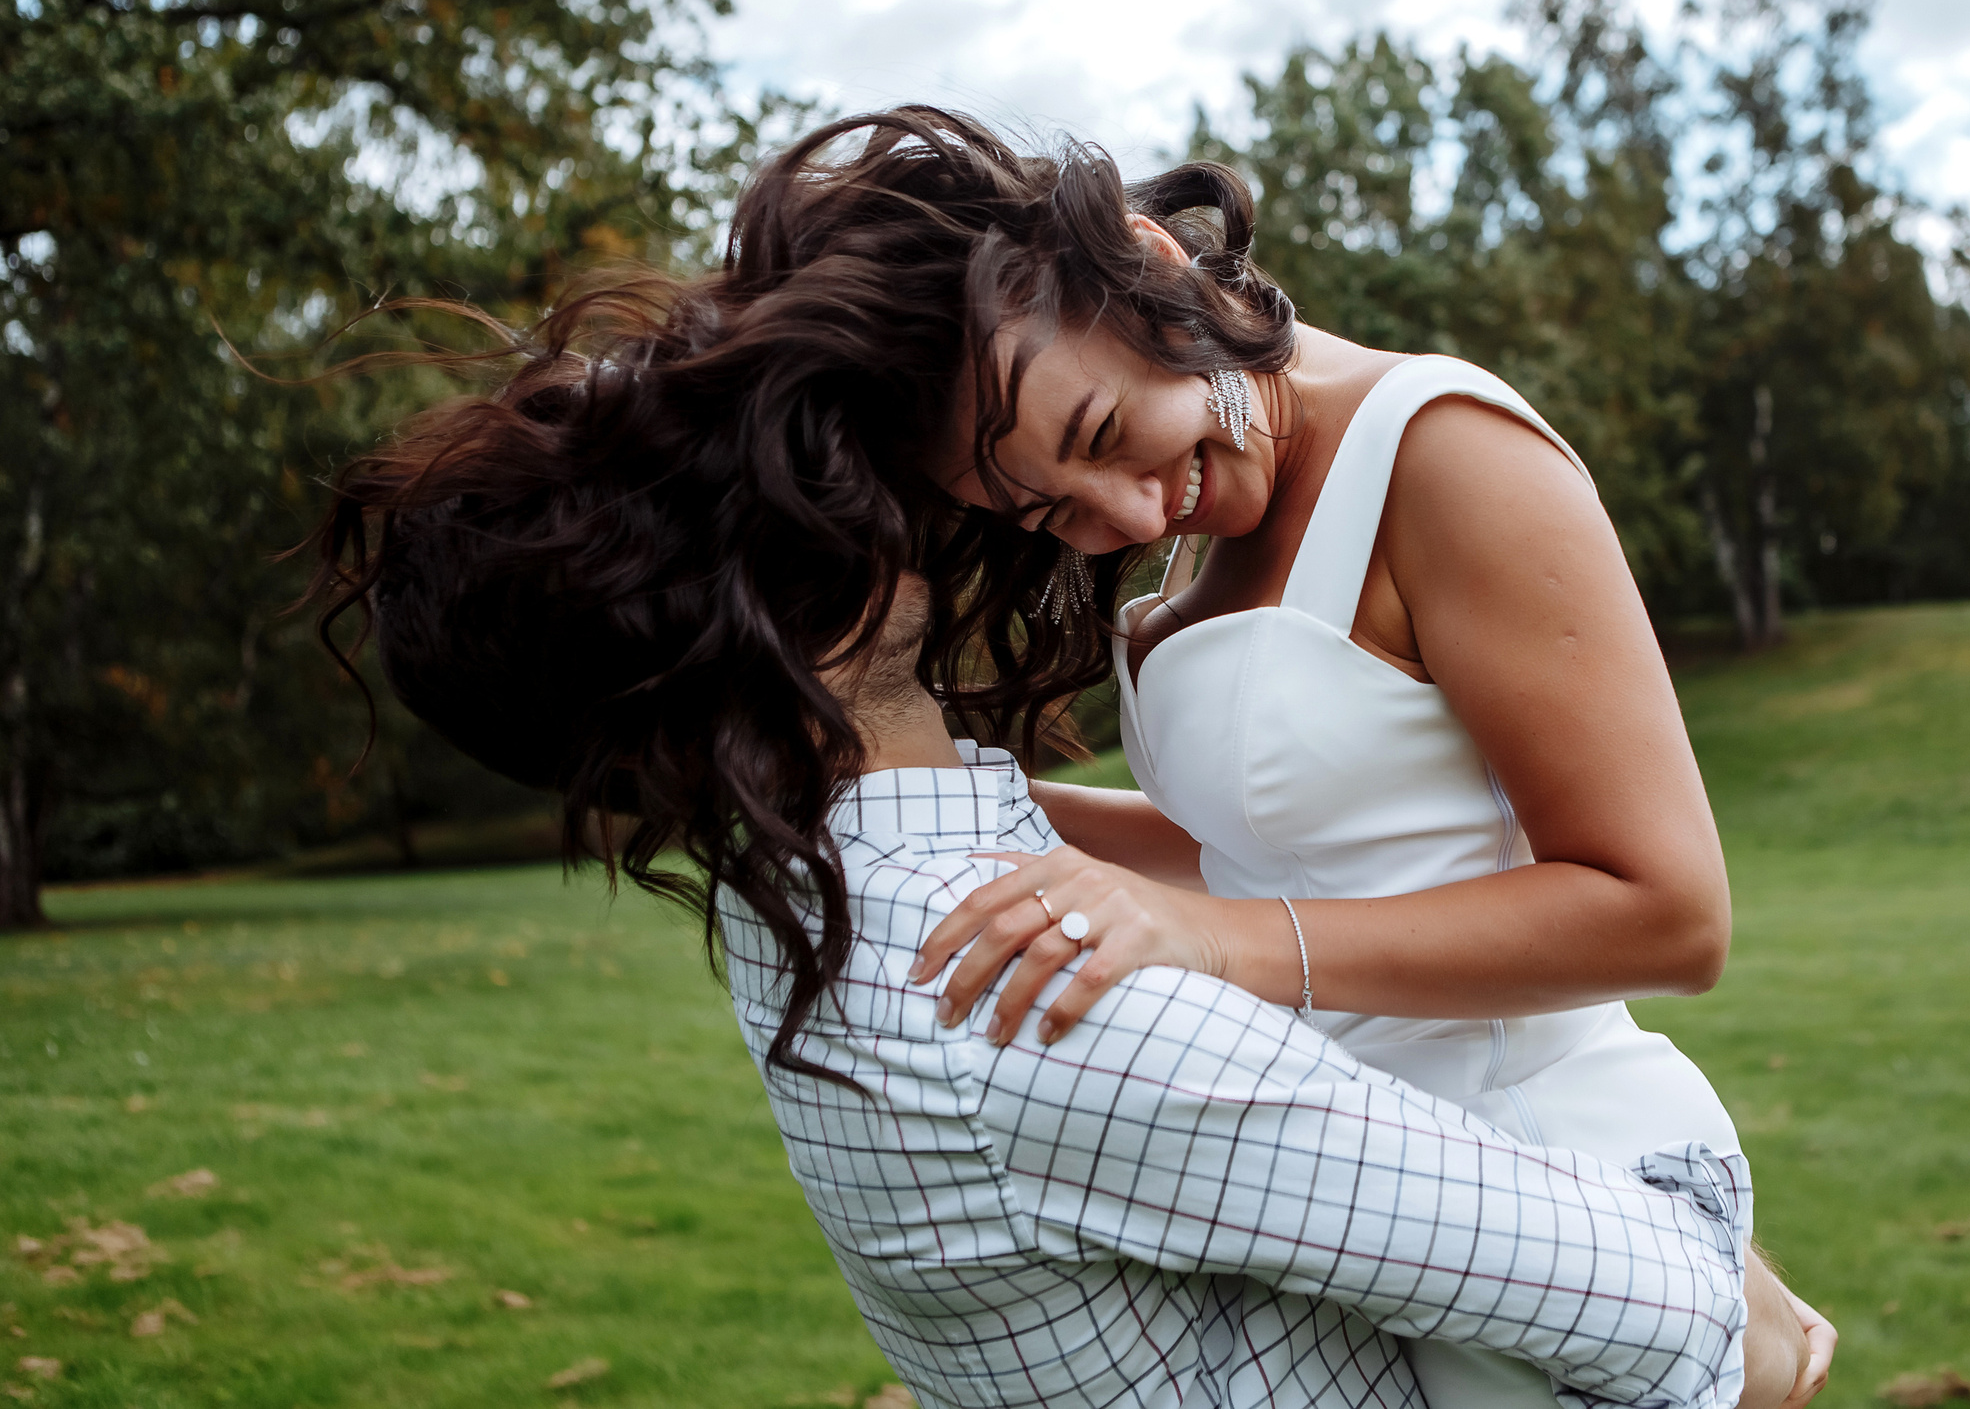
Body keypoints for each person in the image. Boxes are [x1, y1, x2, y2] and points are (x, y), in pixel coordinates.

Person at [298, 288, 1820, 1407]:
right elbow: (1687, 1317)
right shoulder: (1033, 993)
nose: (844, 466)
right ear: (766, 622)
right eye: (763, 484)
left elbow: (1256, 862)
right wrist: (1708, 1264)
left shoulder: (828, 894)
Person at [709, 108, 1833, 1406]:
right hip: (1375, 1216)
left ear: (1150, 264)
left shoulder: (1444, 454)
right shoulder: (1200, 517)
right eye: (1047, 507)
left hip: (1549, 1179)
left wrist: (1221, 943)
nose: (1124, 517)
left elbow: (1669, 914)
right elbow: (1272, 848)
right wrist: (930, 819)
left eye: (1100, 436)